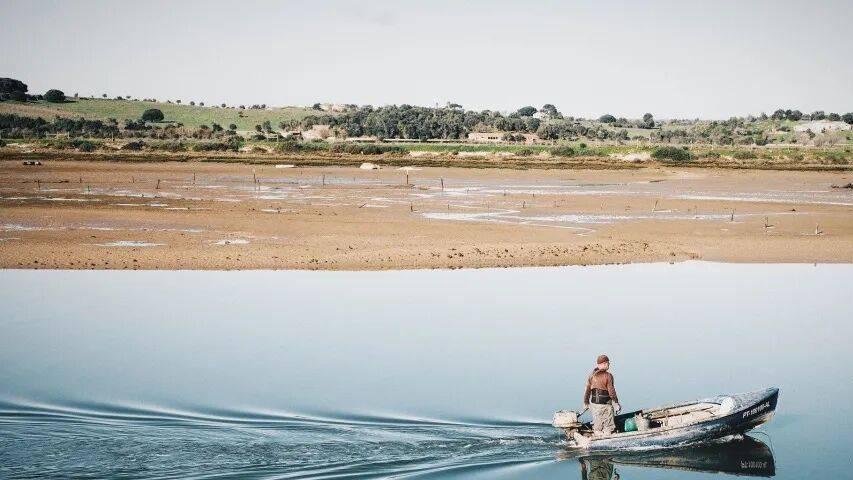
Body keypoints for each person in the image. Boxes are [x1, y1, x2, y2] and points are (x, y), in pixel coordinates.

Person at [583, 354, 621, 436]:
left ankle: (597, 434)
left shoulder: (591, 375)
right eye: (608, 363)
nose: (609, 364)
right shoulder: (608, 376)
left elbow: (587, 390)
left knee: (597, 427)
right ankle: (608, 435)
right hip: (606, 405)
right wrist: (616, 403)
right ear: (604, 363)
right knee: (609, 428)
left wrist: (586, 403)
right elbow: (611, 392)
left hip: (594, 405)